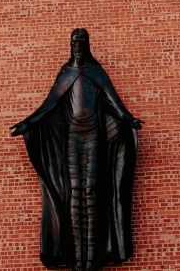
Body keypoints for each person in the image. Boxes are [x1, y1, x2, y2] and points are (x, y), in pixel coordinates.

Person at [11, 29, 143, 271]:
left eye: (81, 43)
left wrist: (129, 119)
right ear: (71, 46)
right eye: (75, 43)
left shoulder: (96, 72)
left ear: (86, 45)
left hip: (94, 138)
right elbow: (49, 105)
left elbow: (113, 102)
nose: (78, 47)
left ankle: (92, 257)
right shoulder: (67, 73)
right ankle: (77, 256)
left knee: (91, 192)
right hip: (72, 139)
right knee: (74, 194)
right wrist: (28, 123)